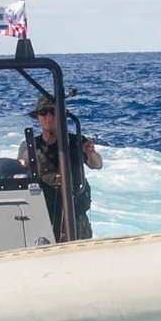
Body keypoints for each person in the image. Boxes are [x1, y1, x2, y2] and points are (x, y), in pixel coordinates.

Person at [18, 93, 105, 241]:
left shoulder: (76, 141)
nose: (48, 117)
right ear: (38, 118)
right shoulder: (30, 145)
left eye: (53, 112)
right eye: (43, 113)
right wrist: (24, 161)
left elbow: (97, 164)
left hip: (74, 216)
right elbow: (21, 163)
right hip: (44, 215)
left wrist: (90, 153)